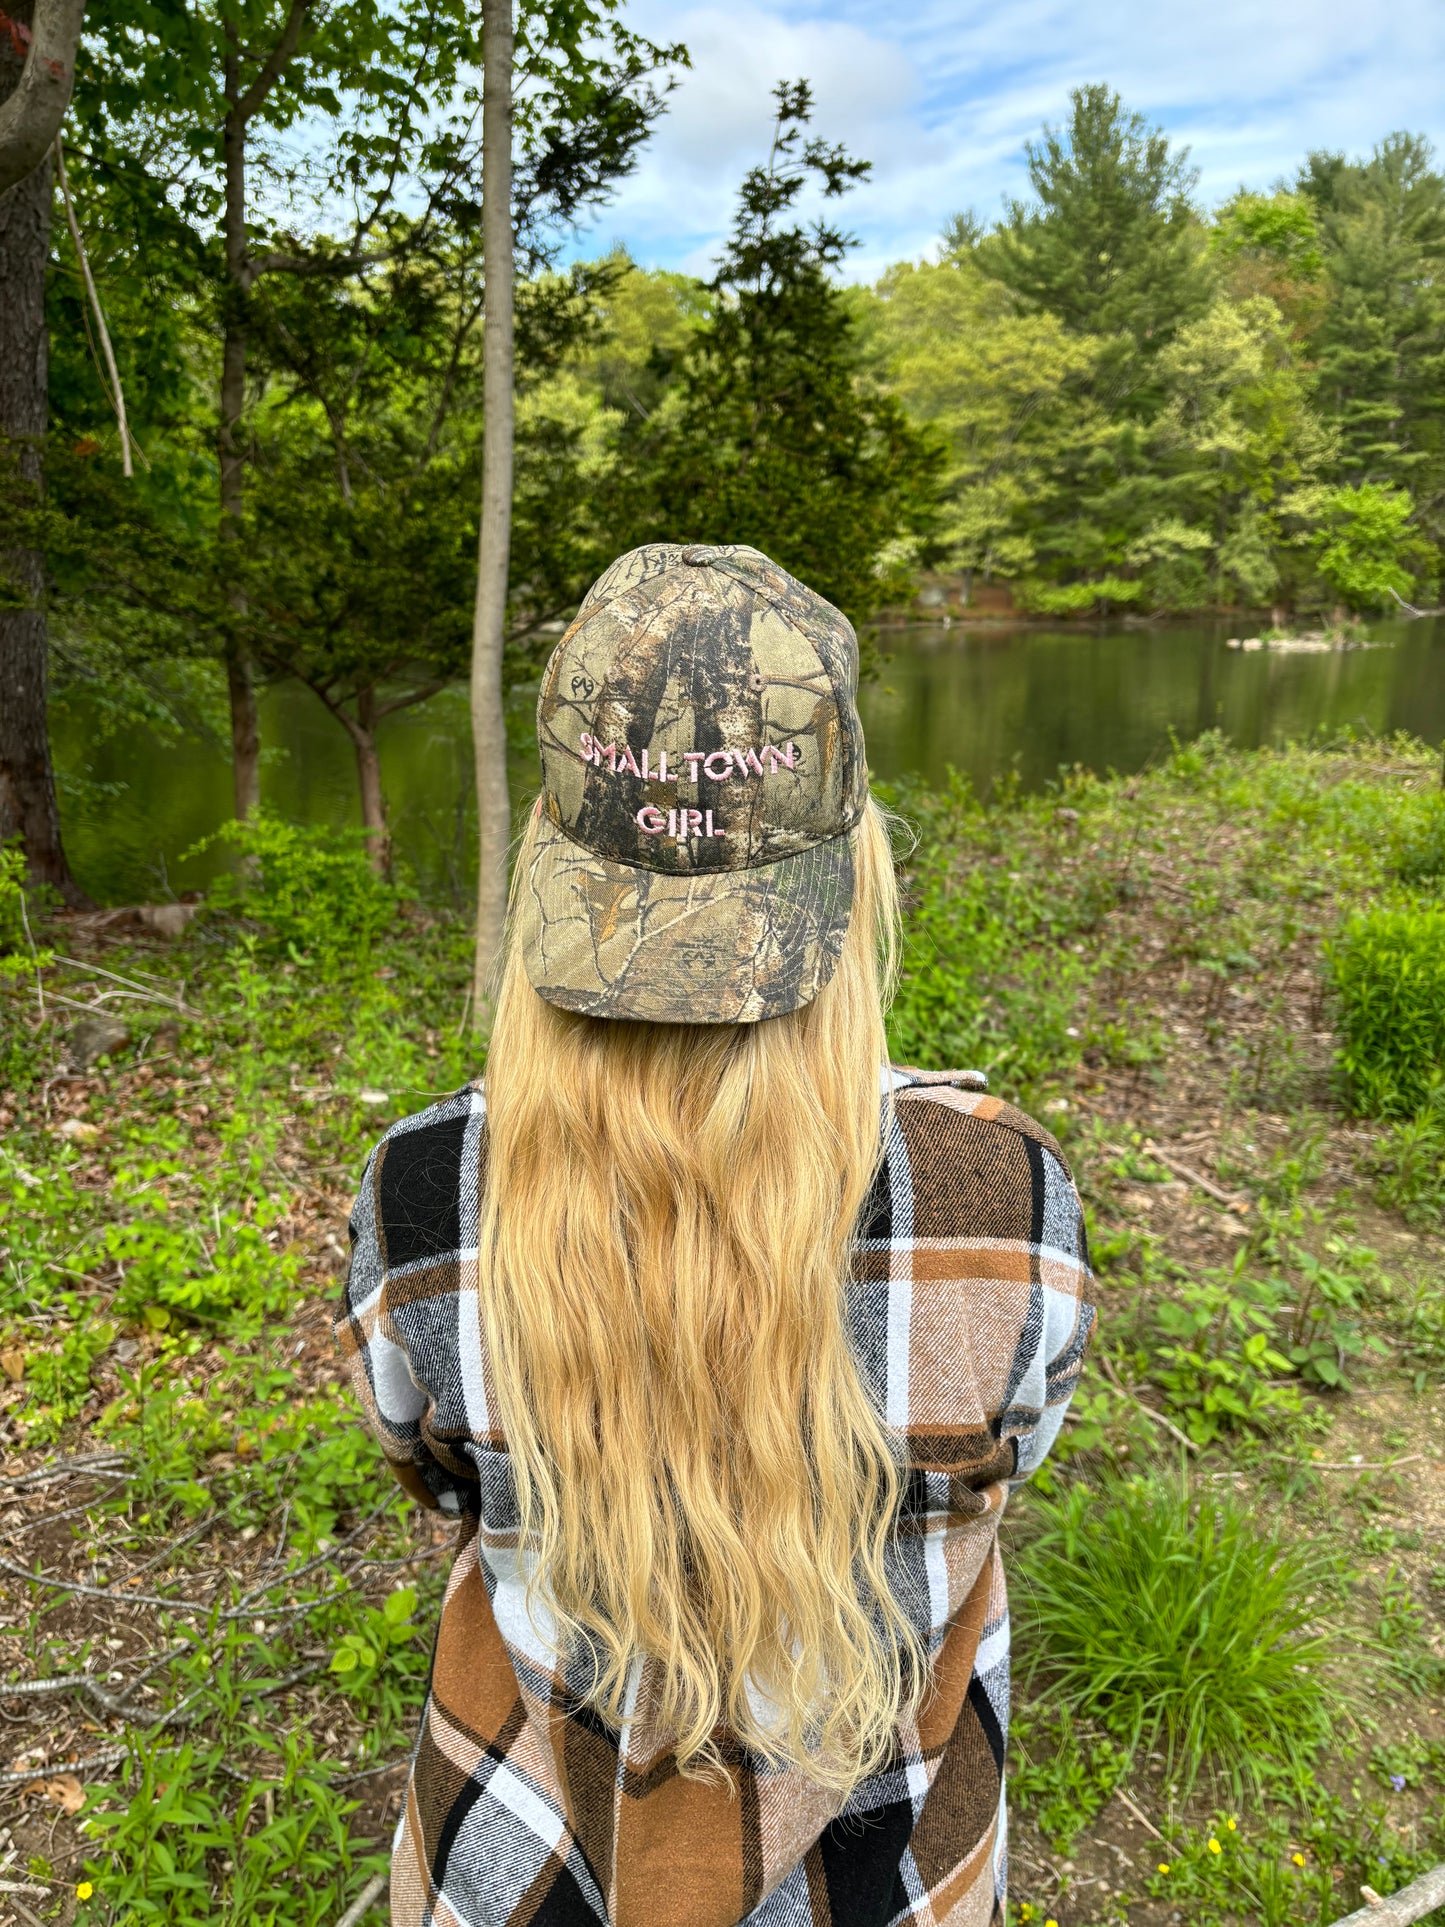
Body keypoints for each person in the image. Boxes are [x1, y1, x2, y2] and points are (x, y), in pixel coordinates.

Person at [336, 542, 1095, 1927]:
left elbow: (434, 1479)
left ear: (560, 866)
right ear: (854, 856)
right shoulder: (1002, 1193)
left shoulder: (423, 1190)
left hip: (524, 1869)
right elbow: (1016, 1450)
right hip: (894, 1871)